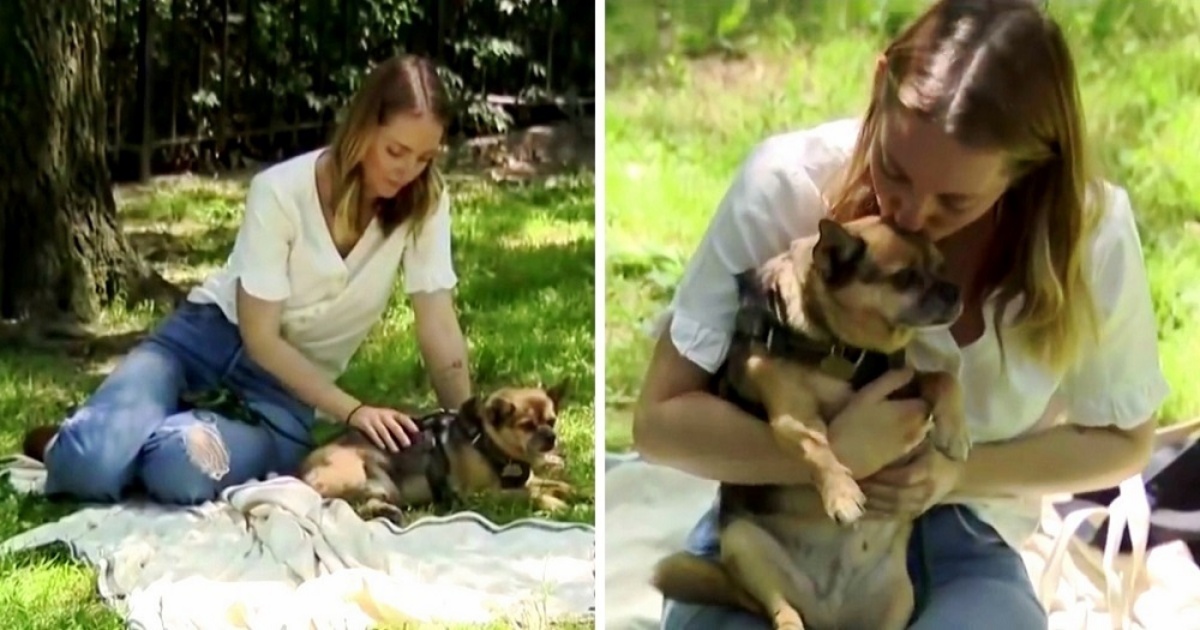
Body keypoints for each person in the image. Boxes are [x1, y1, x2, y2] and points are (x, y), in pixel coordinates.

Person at [632, 1, 1169, 628]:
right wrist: (830, 457)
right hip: (779, 522)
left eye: (954, 199)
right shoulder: (788, 186)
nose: (910, 214)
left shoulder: (1088, 235)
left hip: (959, 534)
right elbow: (659, 422)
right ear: (879, 84)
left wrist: (956, 471)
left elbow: (1126, 441)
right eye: (894, 169)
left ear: (1029, 169)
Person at [29, 54, 472, 506]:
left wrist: (473, 433)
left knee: (179, 468)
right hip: (198, 345)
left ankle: (133, 437)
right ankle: (99, 442)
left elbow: (437, 323)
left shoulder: (426, 203)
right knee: (88, 466)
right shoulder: (280, 190)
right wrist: (353, 411)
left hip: (278, 397)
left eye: (424, 157)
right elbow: (260, 337)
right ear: (361, 129)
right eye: (396, 151)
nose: (408, 170)